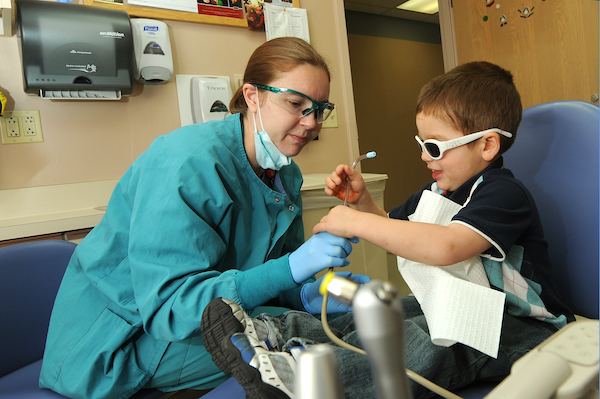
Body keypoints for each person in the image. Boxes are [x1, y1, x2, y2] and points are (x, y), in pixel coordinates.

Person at [200, 61, 575, 399]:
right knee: (391, 312)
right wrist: (362, 203)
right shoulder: (438, 193)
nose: (425, 157)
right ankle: (278, 333)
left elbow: (447, 246)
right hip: (471, 303)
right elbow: (395, 229)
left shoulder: (504, 194)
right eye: (421, 145)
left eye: (434, 147)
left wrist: (357, 221)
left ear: (488, 145)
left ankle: (305, 379)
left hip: (524, 327)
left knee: (422, 342)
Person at [39, 37, 369, 399]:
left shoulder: (284, 174)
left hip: (208, 317)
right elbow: (171, 309)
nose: (311, 123)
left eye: (320, 109)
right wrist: (291, 268)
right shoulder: (187, 164)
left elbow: (266, 276)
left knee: (348, 322)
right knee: (313, 350)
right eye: (296, 104)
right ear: (252, 95)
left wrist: (304, 294)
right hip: (120, 344)